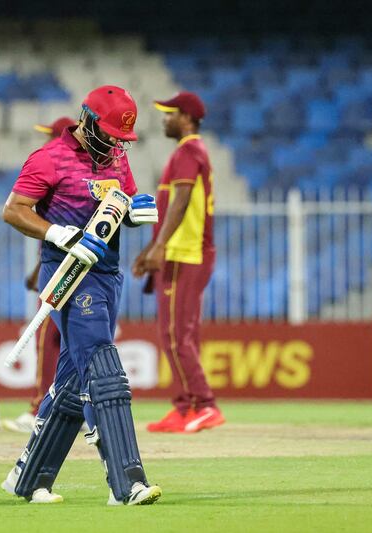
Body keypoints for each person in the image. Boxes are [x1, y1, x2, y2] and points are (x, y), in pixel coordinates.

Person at [0, 86, 162, 505]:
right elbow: (14, 210)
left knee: (73, 378)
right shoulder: (48, 158)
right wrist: (58, 232)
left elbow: (118, 204)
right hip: (69, 275)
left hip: (107, 274)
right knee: (103, 368)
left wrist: (134, 211)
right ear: (86, 120)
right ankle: (127, 484)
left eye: (121, 139)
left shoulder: (118, 158)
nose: (114, 146)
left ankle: (31, 479)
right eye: (108, 134)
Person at [132, 91, 223, 433]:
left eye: (169, 113)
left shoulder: (187, 152)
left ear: (186, 117)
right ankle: (185, 406)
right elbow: (175, 205)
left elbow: (181, 201)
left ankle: (204, 404)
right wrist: (152, 248)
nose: (164, 119)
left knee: (175, 335)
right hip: (181, 251)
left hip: (186, 253)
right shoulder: (190, 152)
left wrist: (160, 247)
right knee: (179, 333)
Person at [3, 117, 75, 434]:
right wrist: (36, 271)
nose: (47, 142)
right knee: (67, 344)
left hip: (60, 273)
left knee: (47, 340)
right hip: (70, 268)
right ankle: (68, 406)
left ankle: (38, 409)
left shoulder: (56, 168)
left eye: (49, 136)